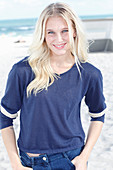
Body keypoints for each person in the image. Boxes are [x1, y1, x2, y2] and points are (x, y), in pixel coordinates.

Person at [0, 2, 106, 170]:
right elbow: (5, 118)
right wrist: (15, 163)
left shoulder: (89, 74)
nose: (59, 39)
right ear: (42, 34)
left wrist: (83, 157)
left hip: (70, 159)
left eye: (65, 31)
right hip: (30, 163)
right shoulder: (22, 71)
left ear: (75, 31)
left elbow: (98, 115)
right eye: (51, 32)